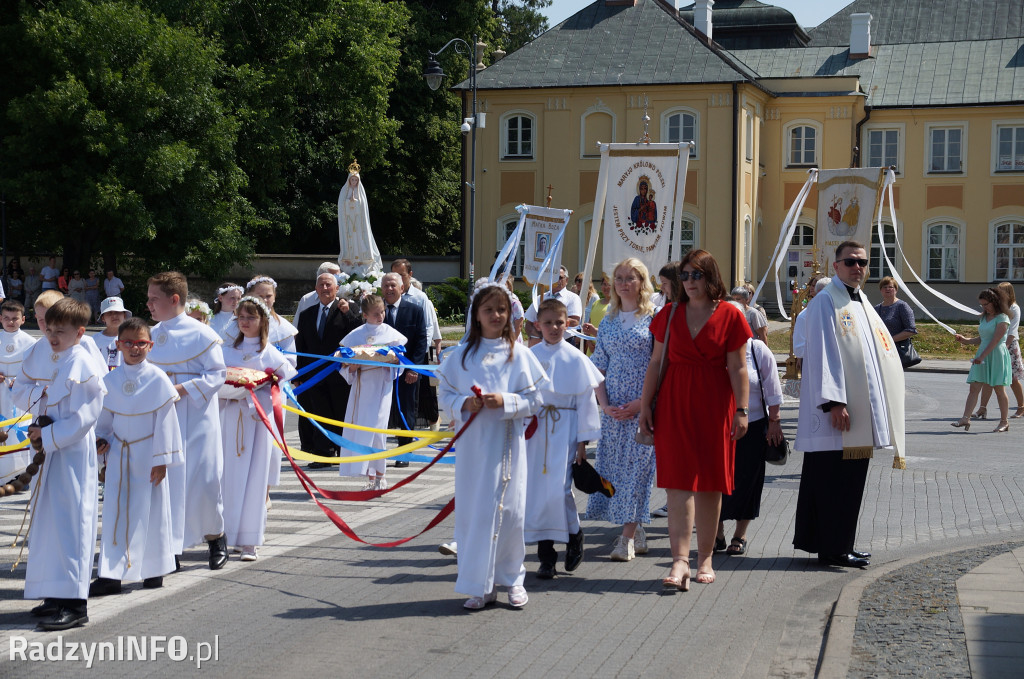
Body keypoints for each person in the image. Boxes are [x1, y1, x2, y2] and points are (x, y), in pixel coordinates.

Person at [639, 252, 750, 588]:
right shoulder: (670, 314)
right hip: (674, 402)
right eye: (685, 275)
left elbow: (738, 367)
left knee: (710, 485)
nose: (689, 281)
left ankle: (705, 559)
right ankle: (679, 562)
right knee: (677, 485)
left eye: (697, 275)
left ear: (710, 278)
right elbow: (656, 363)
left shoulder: (730, 314)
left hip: (716, 404)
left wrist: (743, 410)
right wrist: (645, 406)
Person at [793, 241, 905, 569]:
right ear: (836, 265)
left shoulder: (861, 301)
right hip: (839, 416)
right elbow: (824, 353)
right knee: (833, 484)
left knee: (848, 483)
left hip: (859, 415)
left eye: (862, 262)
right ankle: (835, 548)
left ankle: (838, 544)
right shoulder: (827, 302)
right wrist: (834, 402)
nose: (858, 267)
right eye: (851, 262)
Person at [436, 284, 548, 609]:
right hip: (473, 450)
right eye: (489, 310)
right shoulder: (461, 355)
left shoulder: (519, 353)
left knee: (510, 513)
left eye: (501, 310)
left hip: (508, 446)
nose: (496, 316)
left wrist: (507, 401)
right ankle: (480, 584)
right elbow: (444, 394)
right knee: (476, 514)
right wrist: (464, 404)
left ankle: (513, 579)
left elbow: (536, 398)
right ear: (477, 315)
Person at [16, 297, 106, 630]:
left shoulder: (83, 360)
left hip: (69, 451)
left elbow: (85, 417)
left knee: (71, 522)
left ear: (79, 332)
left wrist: (50, 433)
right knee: (47, 521)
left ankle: (75, 603)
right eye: (49, 329)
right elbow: (21, 387)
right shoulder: (46, 351)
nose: (53, 337)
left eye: (61, 331)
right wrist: (40, 410)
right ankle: (52, 593)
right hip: (47, 446)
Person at [89, 317, 183, 596]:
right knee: (117, 513)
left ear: (150, 345)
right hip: (119, 453)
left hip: (148, 455)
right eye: (128, 342)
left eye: (140, 343)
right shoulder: (111, 379)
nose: (134, 348)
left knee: (151, 512)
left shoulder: (157, 379)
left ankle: (153, 569)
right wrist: (100, 441)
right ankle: (111, 575)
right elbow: (104, 418)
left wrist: (162, 460)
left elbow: (166, 422)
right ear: (117, 345)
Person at [146, 271, 229, 571]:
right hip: (165, 417)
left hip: (196, 416)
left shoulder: (202, 334)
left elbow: (217, 374)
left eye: (154, 299)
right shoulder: (152, 335)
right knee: (169, 481)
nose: (149, 305)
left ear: (175, 299)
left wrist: (181, 389)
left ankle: (216, 538)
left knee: (205, 479)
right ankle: (171, 548)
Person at [525, 298, 603, 578]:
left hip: (565, 429)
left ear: (567, 324)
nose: (554, 328)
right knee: (537, 492)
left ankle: (574, 536)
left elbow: (585, 402)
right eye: (548, 323)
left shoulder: (576, 359)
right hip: (535, 431)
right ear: (538, 325)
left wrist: (582, 443)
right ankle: (546, 558)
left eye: (559, 322)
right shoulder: (529, 356)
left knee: (559, 490)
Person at [587, 258, 657, 562]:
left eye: (630, 277)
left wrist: (643, 403)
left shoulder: (654, 319)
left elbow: (663, 365)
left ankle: (625, 539)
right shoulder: (610, 319)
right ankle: (636, 528)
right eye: (619, 278)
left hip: (643, 408)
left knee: (638, 471)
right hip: (614, 411)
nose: (624, 283)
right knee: (616, 472)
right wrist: (604, 405)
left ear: (642, 282)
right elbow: (598, 366)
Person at [219, 296, 296, 562]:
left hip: (257, 421)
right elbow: (215, 378)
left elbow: (283, 378)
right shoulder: (226, 350)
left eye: (250, 317)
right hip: (231, 416)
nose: (245, 322)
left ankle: (251, 540)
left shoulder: (269, 352)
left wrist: (264, 384)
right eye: (241, 317)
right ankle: (229, 535)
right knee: (230, 476)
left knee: (254, 477)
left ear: (262, 320)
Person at [716, 335, 783, 556]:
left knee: (748, 482)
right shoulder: (714, 345)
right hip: (717, 426)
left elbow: (773, 388)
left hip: (753, 425)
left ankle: (740, 534)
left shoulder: (757, 349)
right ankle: (716, 533)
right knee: (715, 481)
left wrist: (774, 422)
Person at [336, 295, 406, 489]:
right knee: (362, 429)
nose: (381, 316)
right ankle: (370, 477)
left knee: (378, 429)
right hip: (361, 387)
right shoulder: (355, 335)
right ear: (365, 315)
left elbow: (399, 360)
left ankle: (381, 475)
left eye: (382, 311)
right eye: (376, 314)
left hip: (381, 386)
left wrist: (390, 362)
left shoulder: (392, 334)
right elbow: (344, 363)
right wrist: (353, 367)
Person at [294, 273, 361, 469]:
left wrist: (348, 312)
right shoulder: (307, 314)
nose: (325, 288)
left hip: (340, 373)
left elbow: (357, 332)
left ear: (337, 288)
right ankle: (323, 452)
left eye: (329, 285)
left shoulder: (347, 309)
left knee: (341, 412)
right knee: (318, 413)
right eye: (321, 285)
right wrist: (299, 373)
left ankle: (342, 451)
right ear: (316, 289)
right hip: (315, 375)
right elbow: (302, 346)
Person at [380, 272, 427, 467]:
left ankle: (404, 452)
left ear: (402, 288)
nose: (389, 289)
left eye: (393, 285)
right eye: (386, 286)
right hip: (381, 371)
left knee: (406, 410)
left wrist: (413, 368)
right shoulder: (376, 309)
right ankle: (377, 452)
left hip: (407, 371)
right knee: (381, 411)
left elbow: (421, 341)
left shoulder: (415, 310)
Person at [952, 287, 1013, 433]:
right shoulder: (985, 317)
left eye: (986, 304)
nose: (984, 307)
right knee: (974, 387)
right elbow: (983, 338)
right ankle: (965, 418)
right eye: (982, 305)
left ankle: (1004, 422)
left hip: (996, 355)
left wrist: (981, 357)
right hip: (982, 354)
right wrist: (965, 340)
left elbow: (995, 340)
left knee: (999, 389)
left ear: (995, 302)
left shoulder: (1002, 318)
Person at [973, 281, 1024, 420]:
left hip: (1009, 344)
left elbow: (1012, 331)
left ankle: (1021, 407)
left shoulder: (1013, 308)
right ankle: (982, 409)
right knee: (989, 378)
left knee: (1012, 379)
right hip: (996, 346)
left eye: (1000, 291)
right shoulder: (996, 309)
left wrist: (1004, 349)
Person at [0, 300, 35, 479]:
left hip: (19, 393)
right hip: (0, 394)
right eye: (6, 318)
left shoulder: (30, 342)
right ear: (0, 319)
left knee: (17, 430)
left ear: (22, 319)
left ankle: (21, 473)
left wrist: (22, 379)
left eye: (14, 318)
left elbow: (36, 369)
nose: (10, 322)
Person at [35, 290, 106, 373]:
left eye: (50, 320)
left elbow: (101, 376)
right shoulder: (37, 347)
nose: (46, 325)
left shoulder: (84, 342)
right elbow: (24, 382)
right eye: (41, 320)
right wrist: (41, 387)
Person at [524, 266, 583, 346]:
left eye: (560, 277)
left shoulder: (573, 298)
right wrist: (535, 336)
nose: (556, 280)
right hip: (542, 343)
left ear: (566, 280)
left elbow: (575, 322)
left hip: (565, 343)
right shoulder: (540, 298)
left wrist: (550, 321)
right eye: (553, 277)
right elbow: (529, 323)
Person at [873, 276, 918, 371]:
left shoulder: (902, 306)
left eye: (891, 287)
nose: (887, 289)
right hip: (881, 351)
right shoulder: (876, 309)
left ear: (896, 290)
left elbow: (911, 330)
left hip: (897, 351)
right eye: (884, 287)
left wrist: (890, 340)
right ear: (881, 290)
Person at [793, 277, 831, 360]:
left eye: (814, 286)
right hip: (813, 362)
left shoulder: (834, 313)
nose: (811, 288)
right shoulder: (805, 316)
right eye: (812, 285)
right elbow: (799, 349)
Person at [93, 297, 131, 371]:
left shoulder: (132, 339)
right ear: (103, 318)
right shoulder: (94, 340)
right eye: (109, 313)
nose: (114, 316)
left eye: (117, 312)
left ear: (124, 315)